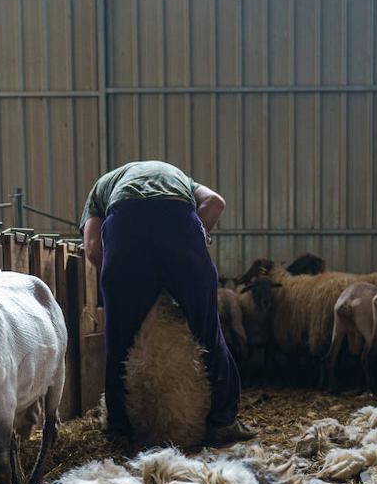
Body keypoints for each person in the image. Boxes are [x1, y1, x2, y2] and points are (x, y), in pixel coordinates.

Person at [81, 160, 254, 447]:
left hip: (126, 228)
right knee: (208, 330)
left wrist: (123, 284)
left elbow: (91, 248)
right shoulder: (179, 178)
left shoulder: (103, 186)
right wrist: (194, 243)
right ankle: (223, 422)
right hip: (179, 221)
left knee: (119, 340)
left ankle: (119, 430)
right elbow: (215, 203)